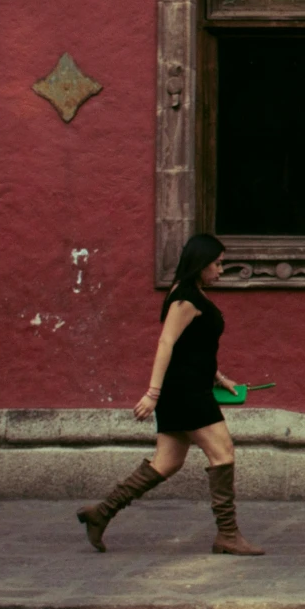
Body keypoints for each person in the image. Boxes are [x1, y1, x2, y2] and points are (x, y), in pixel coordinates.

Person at [76, 233, 264, 555]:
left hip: (188, 389)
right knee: (223, 454)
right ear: (201, 264)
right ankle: (228, 535)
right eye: (217, 264)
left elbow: (193, 348)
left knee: (167, 462)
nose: (221, 270)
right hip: (186, 393)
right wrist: (152, 393)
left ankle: (101, 512)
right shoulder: (185, 299)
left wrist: (220, 378)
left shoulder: (188, 292)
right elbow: (166, 343)